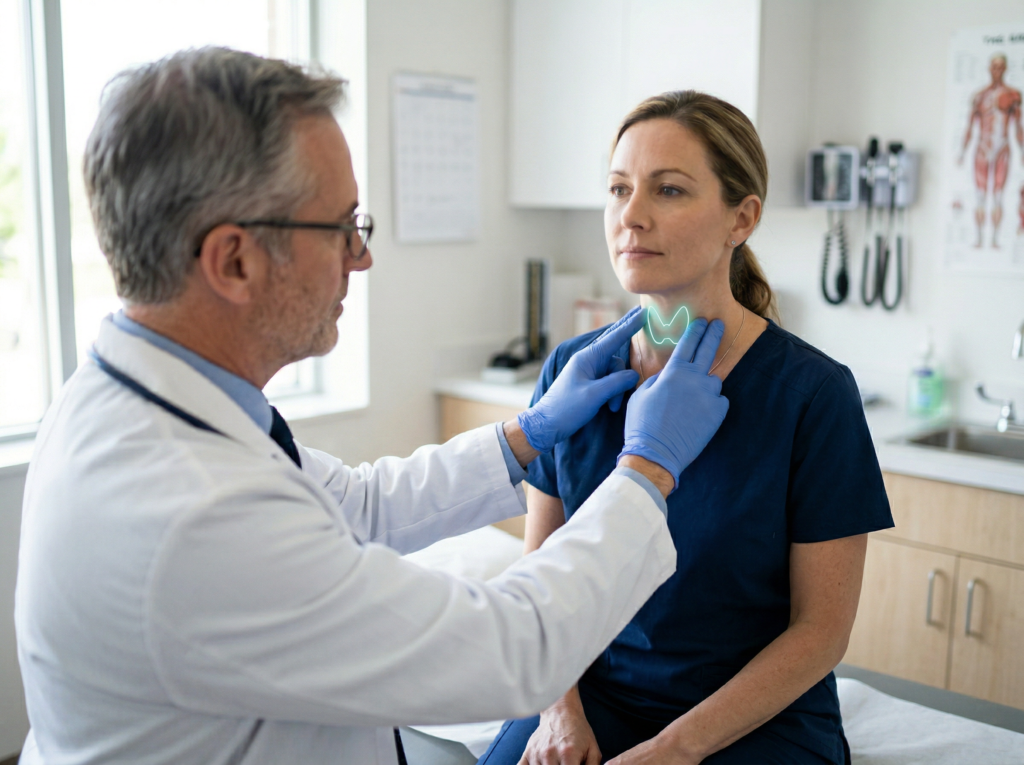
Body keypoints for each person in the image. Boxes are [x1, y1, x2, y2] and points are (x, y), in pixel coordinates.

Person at [14, 51, 732, 765]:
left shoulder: (142, 400)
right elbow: (511, 650)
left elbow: (356, 504)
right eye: (340, 227)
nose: (361, 257)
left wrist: (525, 434)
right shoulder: (192, 513)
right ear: (233, 260)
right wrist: (645, 468)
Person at [479, 91, 894, 765]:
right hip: (594, 695)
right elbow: (542, 579)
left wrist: (675, 749)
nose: (631, 216)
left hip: (756, 718)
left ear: (742, 217)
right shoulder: (573, 374)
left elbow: (820, 632)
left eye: (668, 190)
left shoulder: (813, 396)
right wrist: (559, 709)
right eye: (618, 189)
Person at [958, 53, 1023, 249]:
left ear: (1005, 69)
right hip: (982, 148)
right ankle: (978, 239)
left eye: (1001, 66)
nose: (998, 70)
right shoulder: (979, 96)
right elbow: (970, 126)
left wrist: (1022, 151)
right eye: (994, 66)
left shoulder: (1013, 96)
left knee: (997, 197)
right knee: (979, 195)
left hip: (1002, 148)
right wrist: (962, 151)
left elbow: (1018, 127)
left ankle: (994, 239)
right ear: (989, 68)